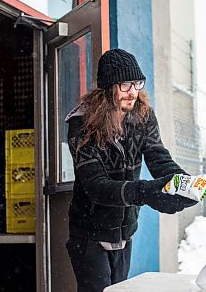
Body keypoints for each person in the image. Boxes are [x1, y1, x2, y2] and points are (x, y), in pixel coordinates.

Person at [65, 48, 196, 292]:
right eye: (125, 84)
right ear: (108, 87)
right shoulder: (82, 124)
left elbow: (159, 158)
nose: (133, 91)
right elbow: (97, 187)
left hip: (125, 231)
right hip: (89, 233)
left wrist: (182, 184)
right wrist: (147, 192)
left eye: (137, 83)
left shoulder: (143, 116)